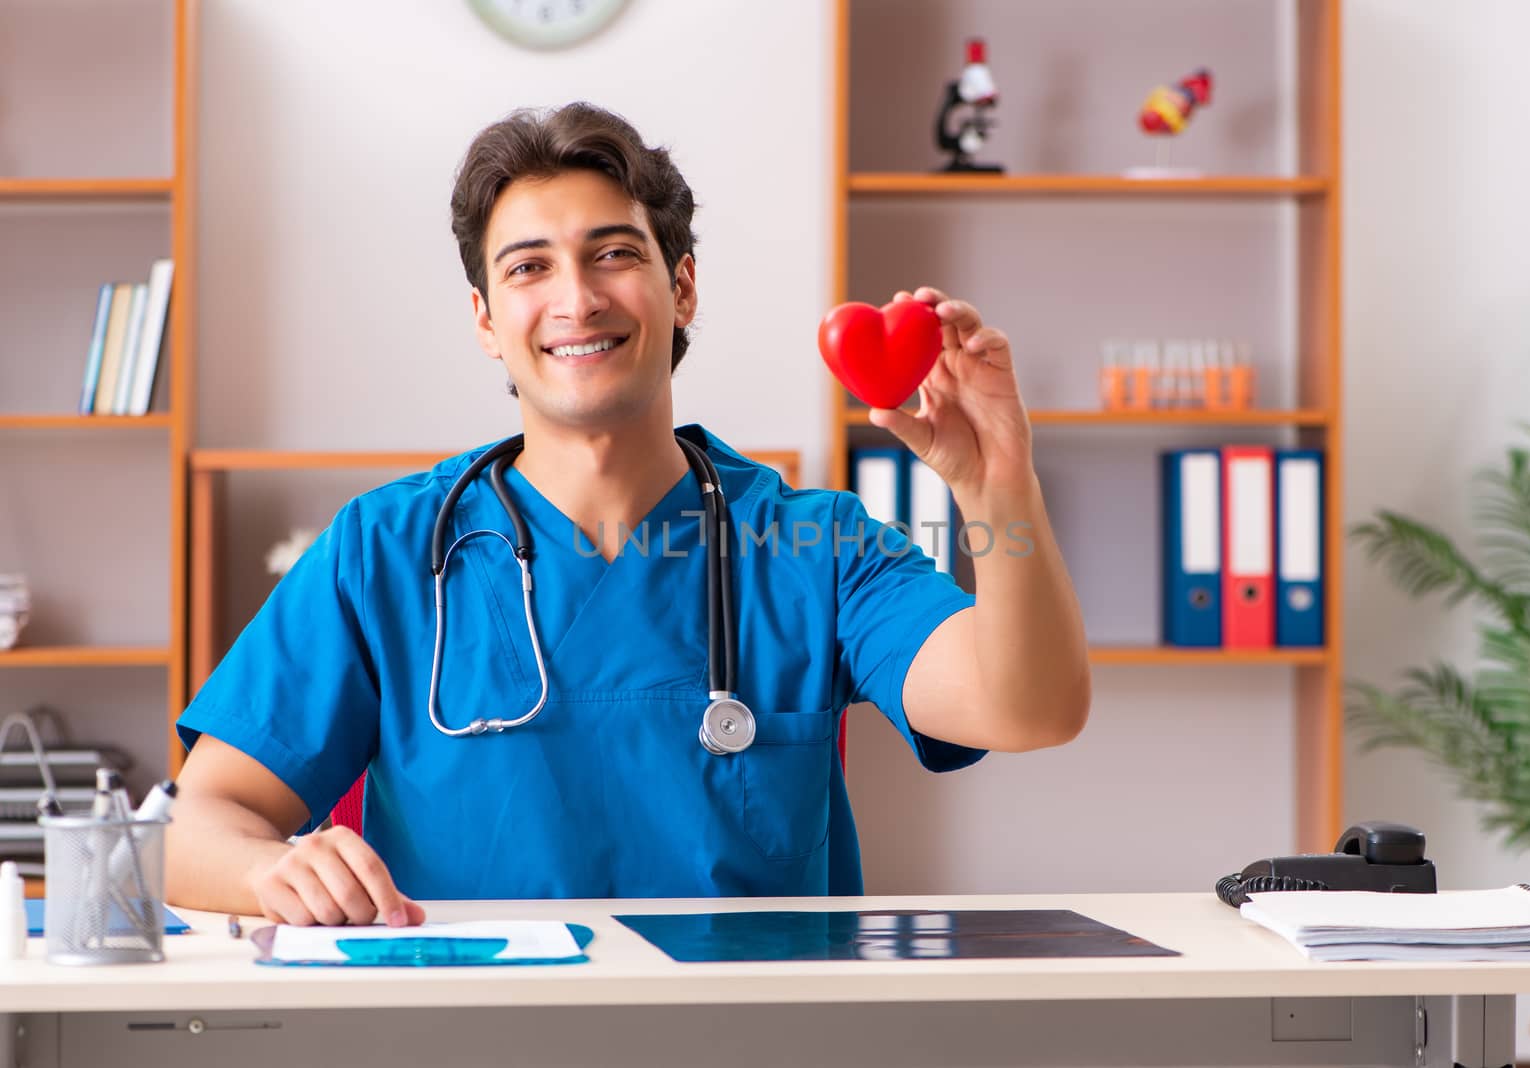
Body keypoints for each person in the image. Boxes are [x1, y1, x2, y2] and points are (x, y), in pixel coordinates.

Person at [167, 103, 1091, 927]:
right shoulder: (386, 553)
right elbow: (194, 826)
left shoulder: (815, 544)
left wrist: (995, 484)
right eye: (530, 267)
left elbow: (1029, 709)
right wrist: (274, 873)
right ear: (487, 319)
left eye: (615, 253)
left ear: (681, 287)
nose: (577, 298)